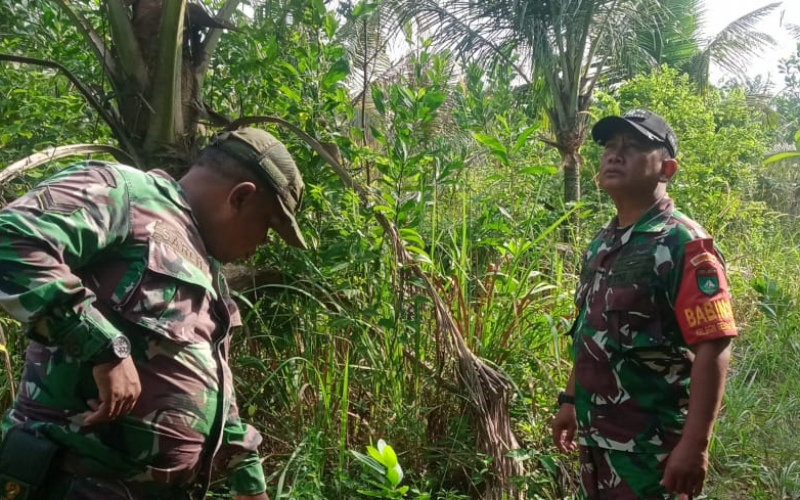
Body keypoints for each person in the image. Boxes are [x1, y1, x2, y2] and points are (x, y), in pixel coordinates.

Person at [0, 128, 307, 500]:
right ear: (240, 197)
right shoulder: (124, 192)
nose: (261, 244)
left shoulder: (209, 273)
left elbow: (207, 386)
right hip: (70, 482)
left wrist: (246, 473)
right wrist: (102, 348)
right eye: (268, 226)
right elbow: (12, 239)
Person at [551, 109, 737, 500]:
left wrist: (695, 446)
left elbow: (714, 344)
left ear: (666, 169)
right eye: (609, 147)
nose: (615, 155)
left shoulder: (682, 243)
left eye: (633, 147)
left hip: (654, 450)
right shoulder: (603, 242)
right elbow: (592, 330)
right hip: (598, 441)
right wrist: (570, 400)